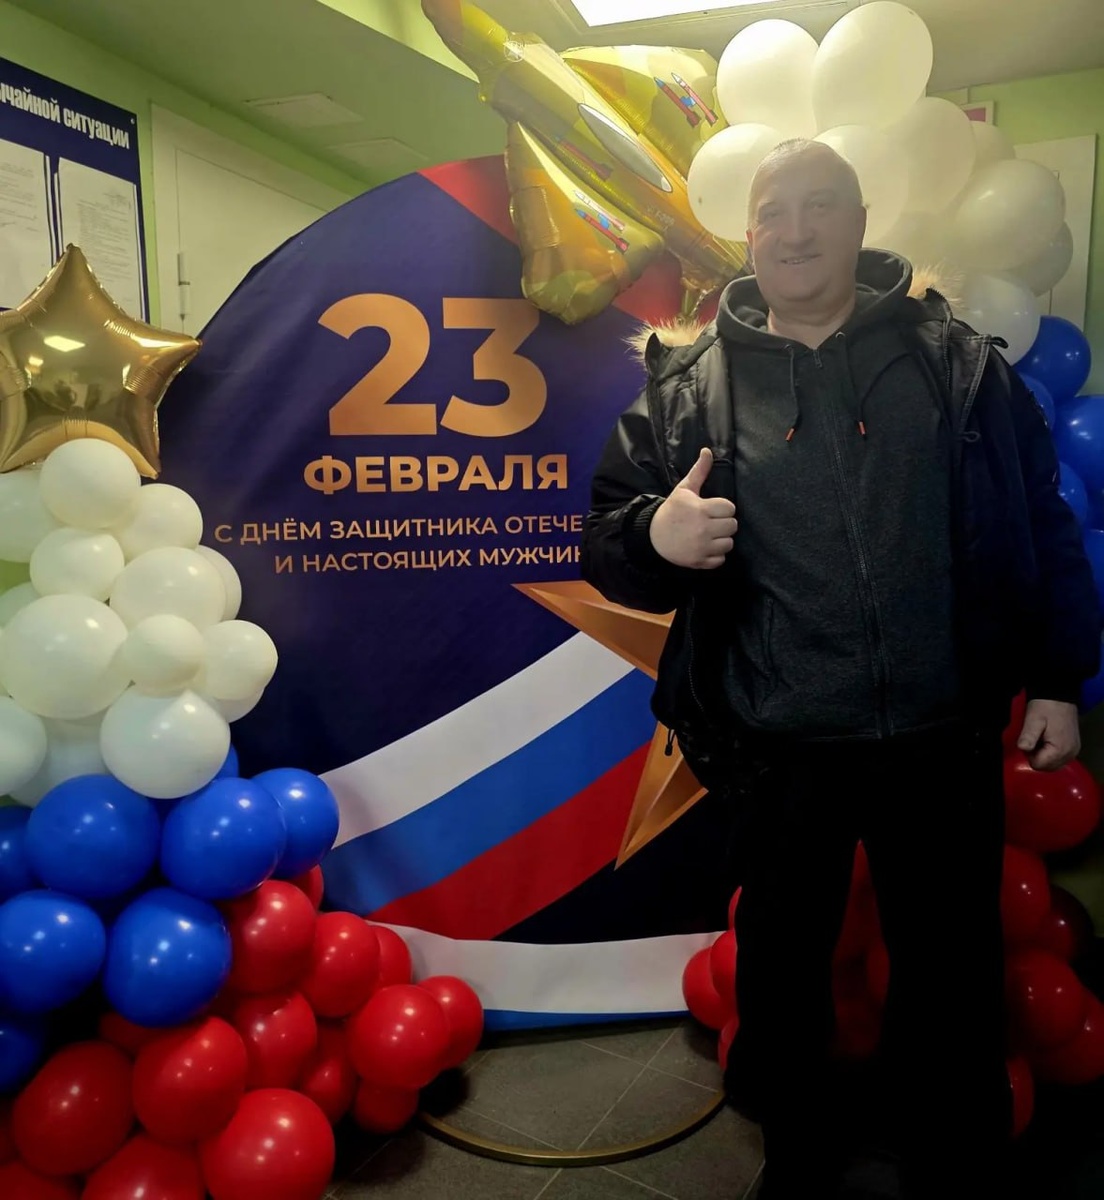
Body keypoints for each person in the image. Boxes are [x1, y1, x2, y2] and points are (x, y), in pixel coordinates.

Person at [581, 139, 1101, 1199]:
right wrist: (655, 539)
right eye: (775, 212)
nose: (798, 230)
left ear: (861, 223)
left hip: (941, 733)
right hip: (777, 746)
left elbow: (1039, 521)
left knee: (951, 967)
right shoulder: (686, 385)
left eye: (821, 206)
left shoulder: (954, 362)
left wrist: (1057, 675)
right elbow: (607, 541)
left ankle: (952, 1157)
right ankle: (800, 1158)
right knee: (783, 972)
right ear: (750, 236)